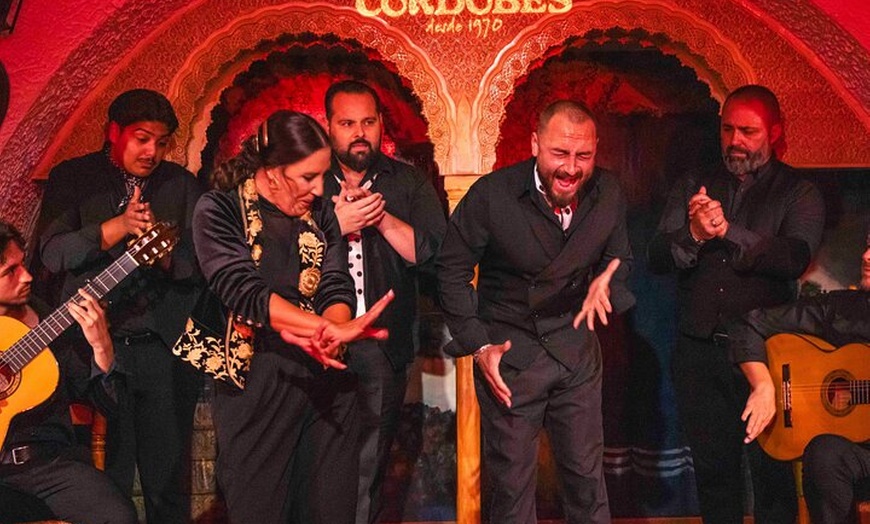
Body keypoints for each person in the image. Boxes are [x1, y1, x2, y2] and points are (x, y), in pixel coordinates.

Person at [437, 100, 635, 523]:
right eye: (559, 154)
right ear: (535, 144)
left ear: (596, 150)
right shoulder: (492, 196)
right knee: (510, 492)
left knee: (587, 484)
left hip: (575, 351)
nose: (571, 168)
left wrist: (609, 283)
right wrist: (479, 344)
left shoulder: (609, 193)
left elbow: (621, 261)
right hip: (510, 357)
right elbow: (450, 271)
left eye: (583, 156)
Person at [194, 110, 395, 524]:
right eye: (307, 178)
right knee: (260, 510)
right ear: (270, 172)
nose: (319, 189)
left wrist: (334, 333)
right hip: (257, 381)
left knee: (330, 511)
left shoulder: (319, 213)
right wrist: (325, 328)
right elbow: (244, 292)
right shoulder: (219, 210)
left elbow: (335, 284)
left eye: (322, 176)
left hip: (325, 380)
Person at [647, 84, 826, 523]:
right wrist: (694, 234)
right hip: (700, 353)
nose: (735, 141)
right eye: (728, 129)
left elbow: (792, 259)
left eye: (748, 131)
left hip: (769, 359)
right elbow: (656, 256)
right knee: (714, 476)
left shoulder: (798, 192)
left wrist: (727, 231)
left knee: (773, 477)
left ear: (775, 132)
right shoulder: (694, 183)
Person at [33, 89, 204, 523]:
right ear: (113, 131)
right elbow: (52, 256)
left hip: (159, 353)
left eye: (162, 142)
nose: (152, 152)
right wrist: (115, 228)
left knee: (167, 486)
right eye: (142, 138)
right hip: (89, 355)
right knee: (107, 485)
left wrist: (163, 256)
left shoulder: (181, 186)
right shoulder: (73, 179)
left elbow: (199, 270)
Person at [322, 79, 447, 524]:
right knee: (318, 463)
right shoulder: (309, 180)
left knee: (369, 467)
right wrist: (334, 222)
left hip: (380, 343)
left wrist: (380, 217)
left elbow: (434, 254)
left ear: (380, 125)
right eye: (348, 123)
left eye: (369, 122)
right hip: (318, 341)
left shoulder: (407, 181)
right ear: (329, 127)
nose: (359, 132)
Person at [727, 228, 870, 524]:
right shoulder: (839, 309)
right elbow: (749, 325)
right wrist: (763, 385)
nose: (866, 256)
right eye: (868, 245)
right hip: (861, 460)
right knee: (823, 454)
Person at [0, 221, 138, 524]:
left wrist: (102, 348)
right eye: (10, 271)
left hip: (49, 466)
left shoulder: (52, 324)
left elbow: (108, 406)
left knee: (119, 517)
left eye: (23, 264)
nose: (27, 276)